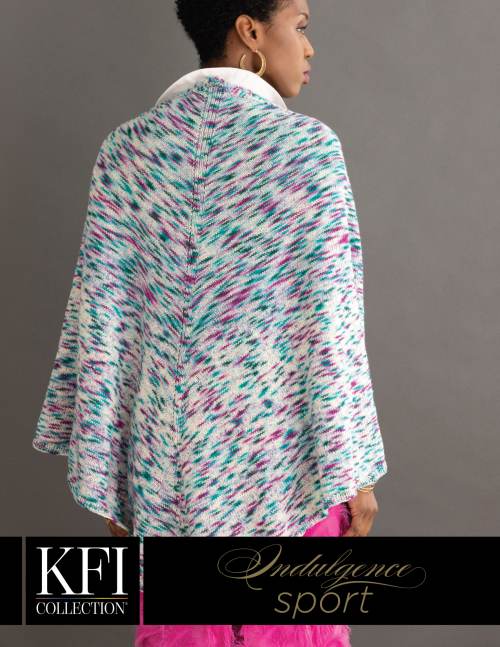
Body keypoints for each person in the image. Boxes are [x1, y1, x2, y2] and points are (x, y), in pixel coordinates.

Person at [33, 0, 388, 644]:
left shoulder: (128, 153)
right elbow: (332, 327)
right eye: (300, 26)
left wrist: (113, 471)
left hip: (166, 488)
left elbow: (103, 326)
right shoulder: (308, 150)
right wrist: (354, 470)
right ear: (250, 31)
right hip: (289, 479)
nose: (309, 47)